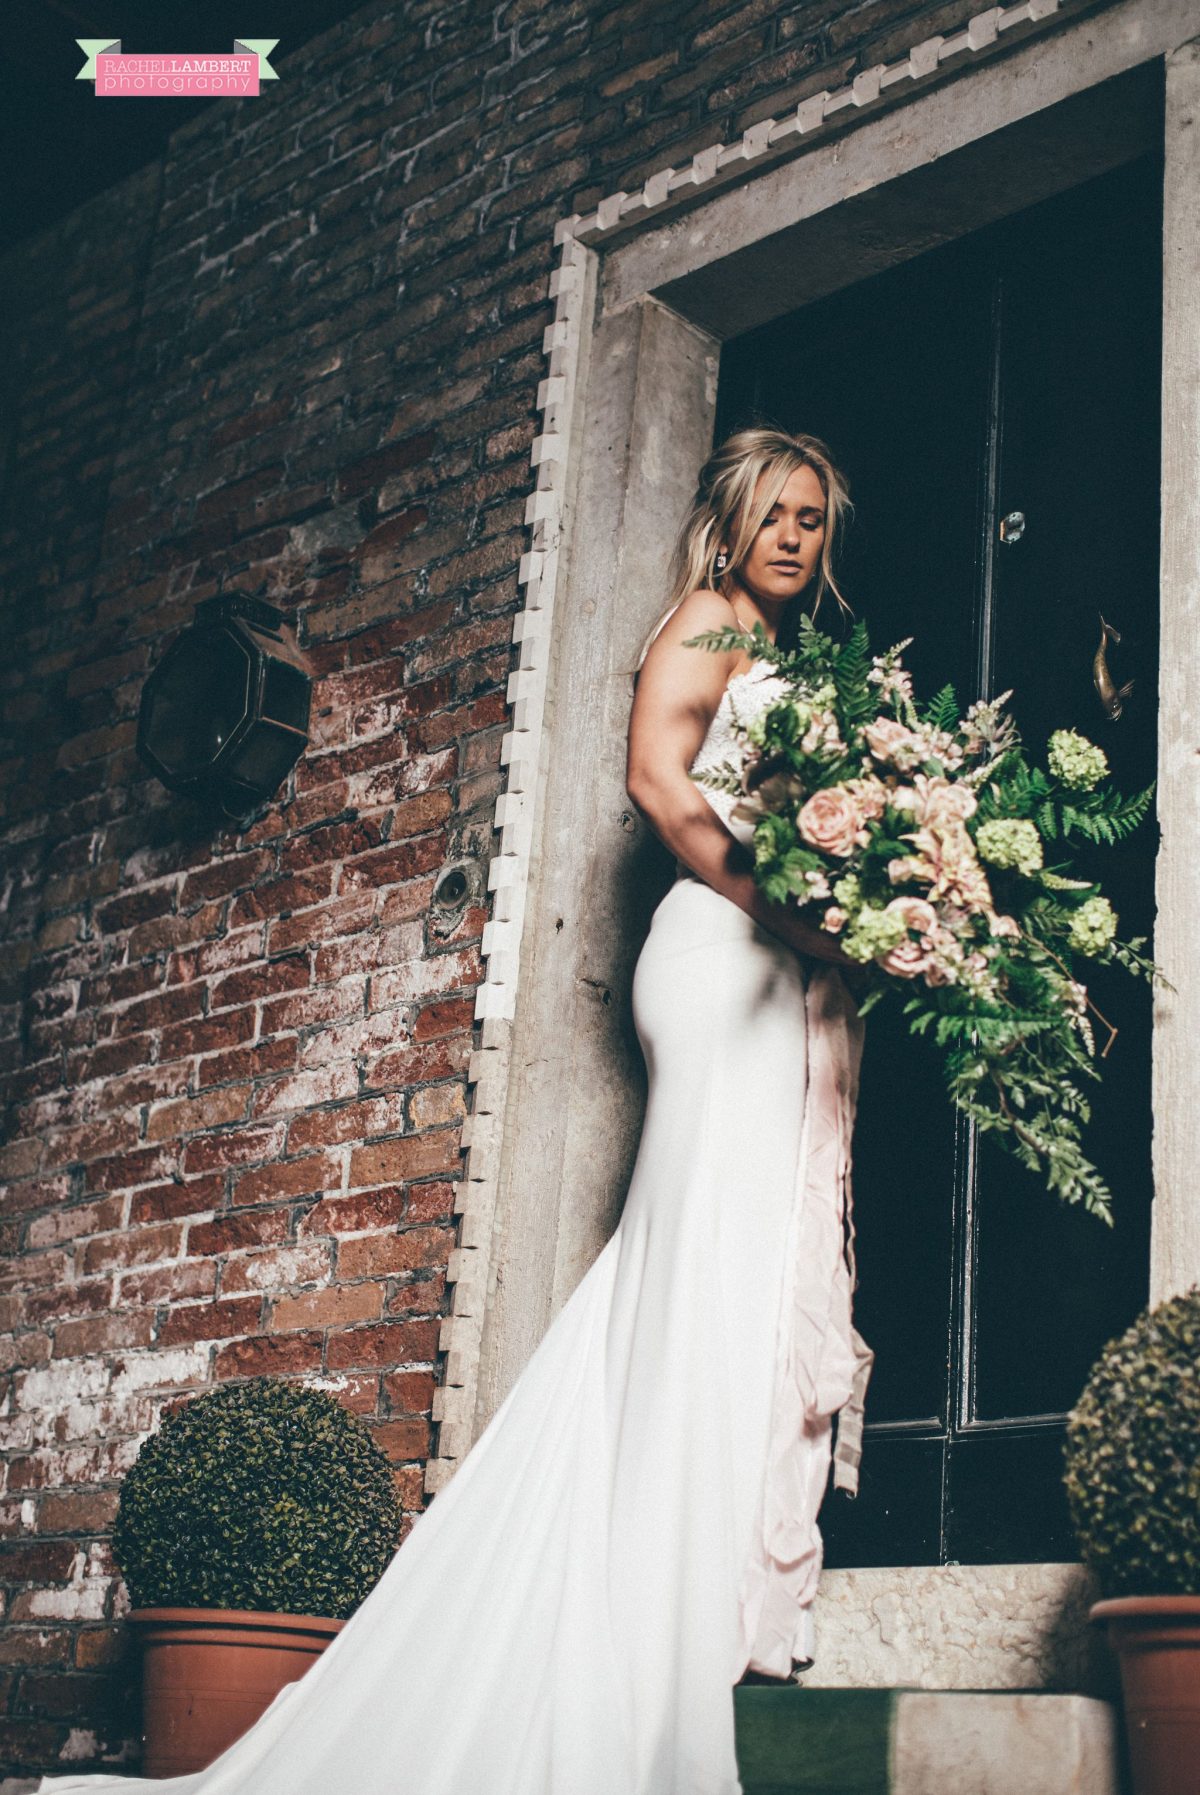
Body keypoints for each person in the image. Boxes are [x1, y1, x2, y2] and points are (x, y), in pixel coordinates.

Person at [36, 427, 872, 1795]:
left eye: (814, 523)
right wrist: (784, 901)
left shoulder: (793, 653)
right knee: (704, 1255)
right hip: (722, 957)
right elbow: (659, 784)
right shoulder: (711, 625)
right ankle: (646, 1614)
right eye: (774, 515)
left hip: (779, 970)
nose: (795, 539)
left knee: (721, 1261)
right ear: (727, 526)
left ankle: (689, 1583)